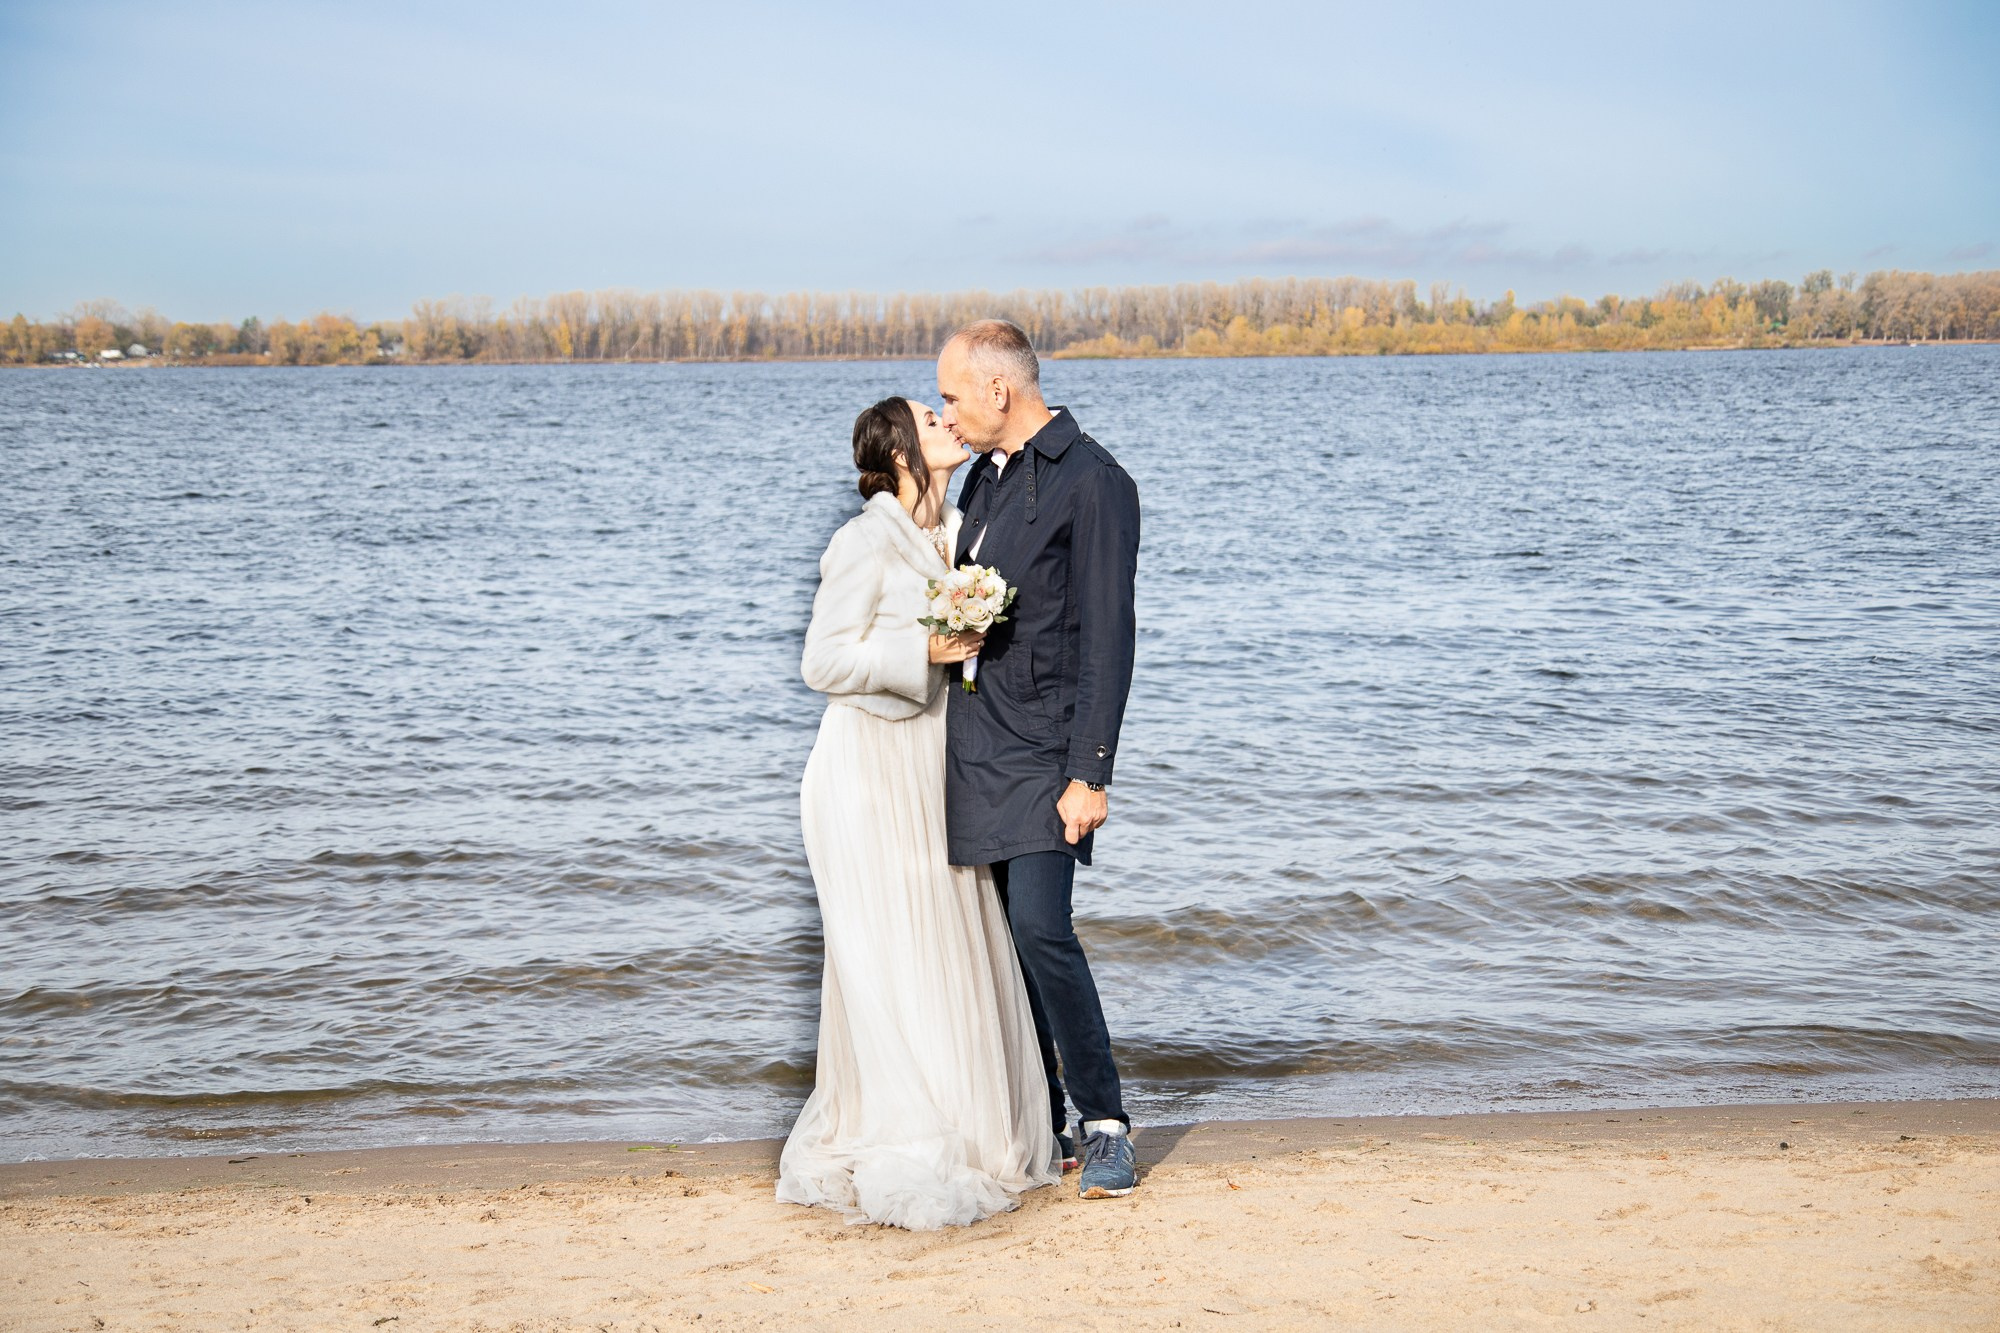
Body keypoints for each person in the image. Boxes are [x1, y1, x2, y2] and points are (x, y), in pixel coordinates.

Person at [776, 396, 1059, 1229]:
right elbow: (821, 661)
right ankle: (898, 1126)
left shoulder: (963, 531)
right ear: (900, 451)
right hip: (866, 769)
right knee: (891, 946)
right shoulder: (862, 539)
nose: (946, 419)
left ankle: (974, 1122)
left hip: (937, 762)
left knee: (950, 936)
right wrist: (923, 650)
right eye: (928, 418)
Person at [937, 320, 1143, 1200]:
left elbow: (1109, 637)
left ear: (997, 390)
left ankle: (1106, 1123)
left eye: (950, 394)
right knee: (1008, 946)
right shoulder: (983, 479)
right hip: (975, 742)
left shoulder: (1095, 481)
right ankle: (1046, 1113)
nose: (946, 410)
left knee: (1041, 928)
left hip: (1048, 749)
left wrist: (1090, 771)